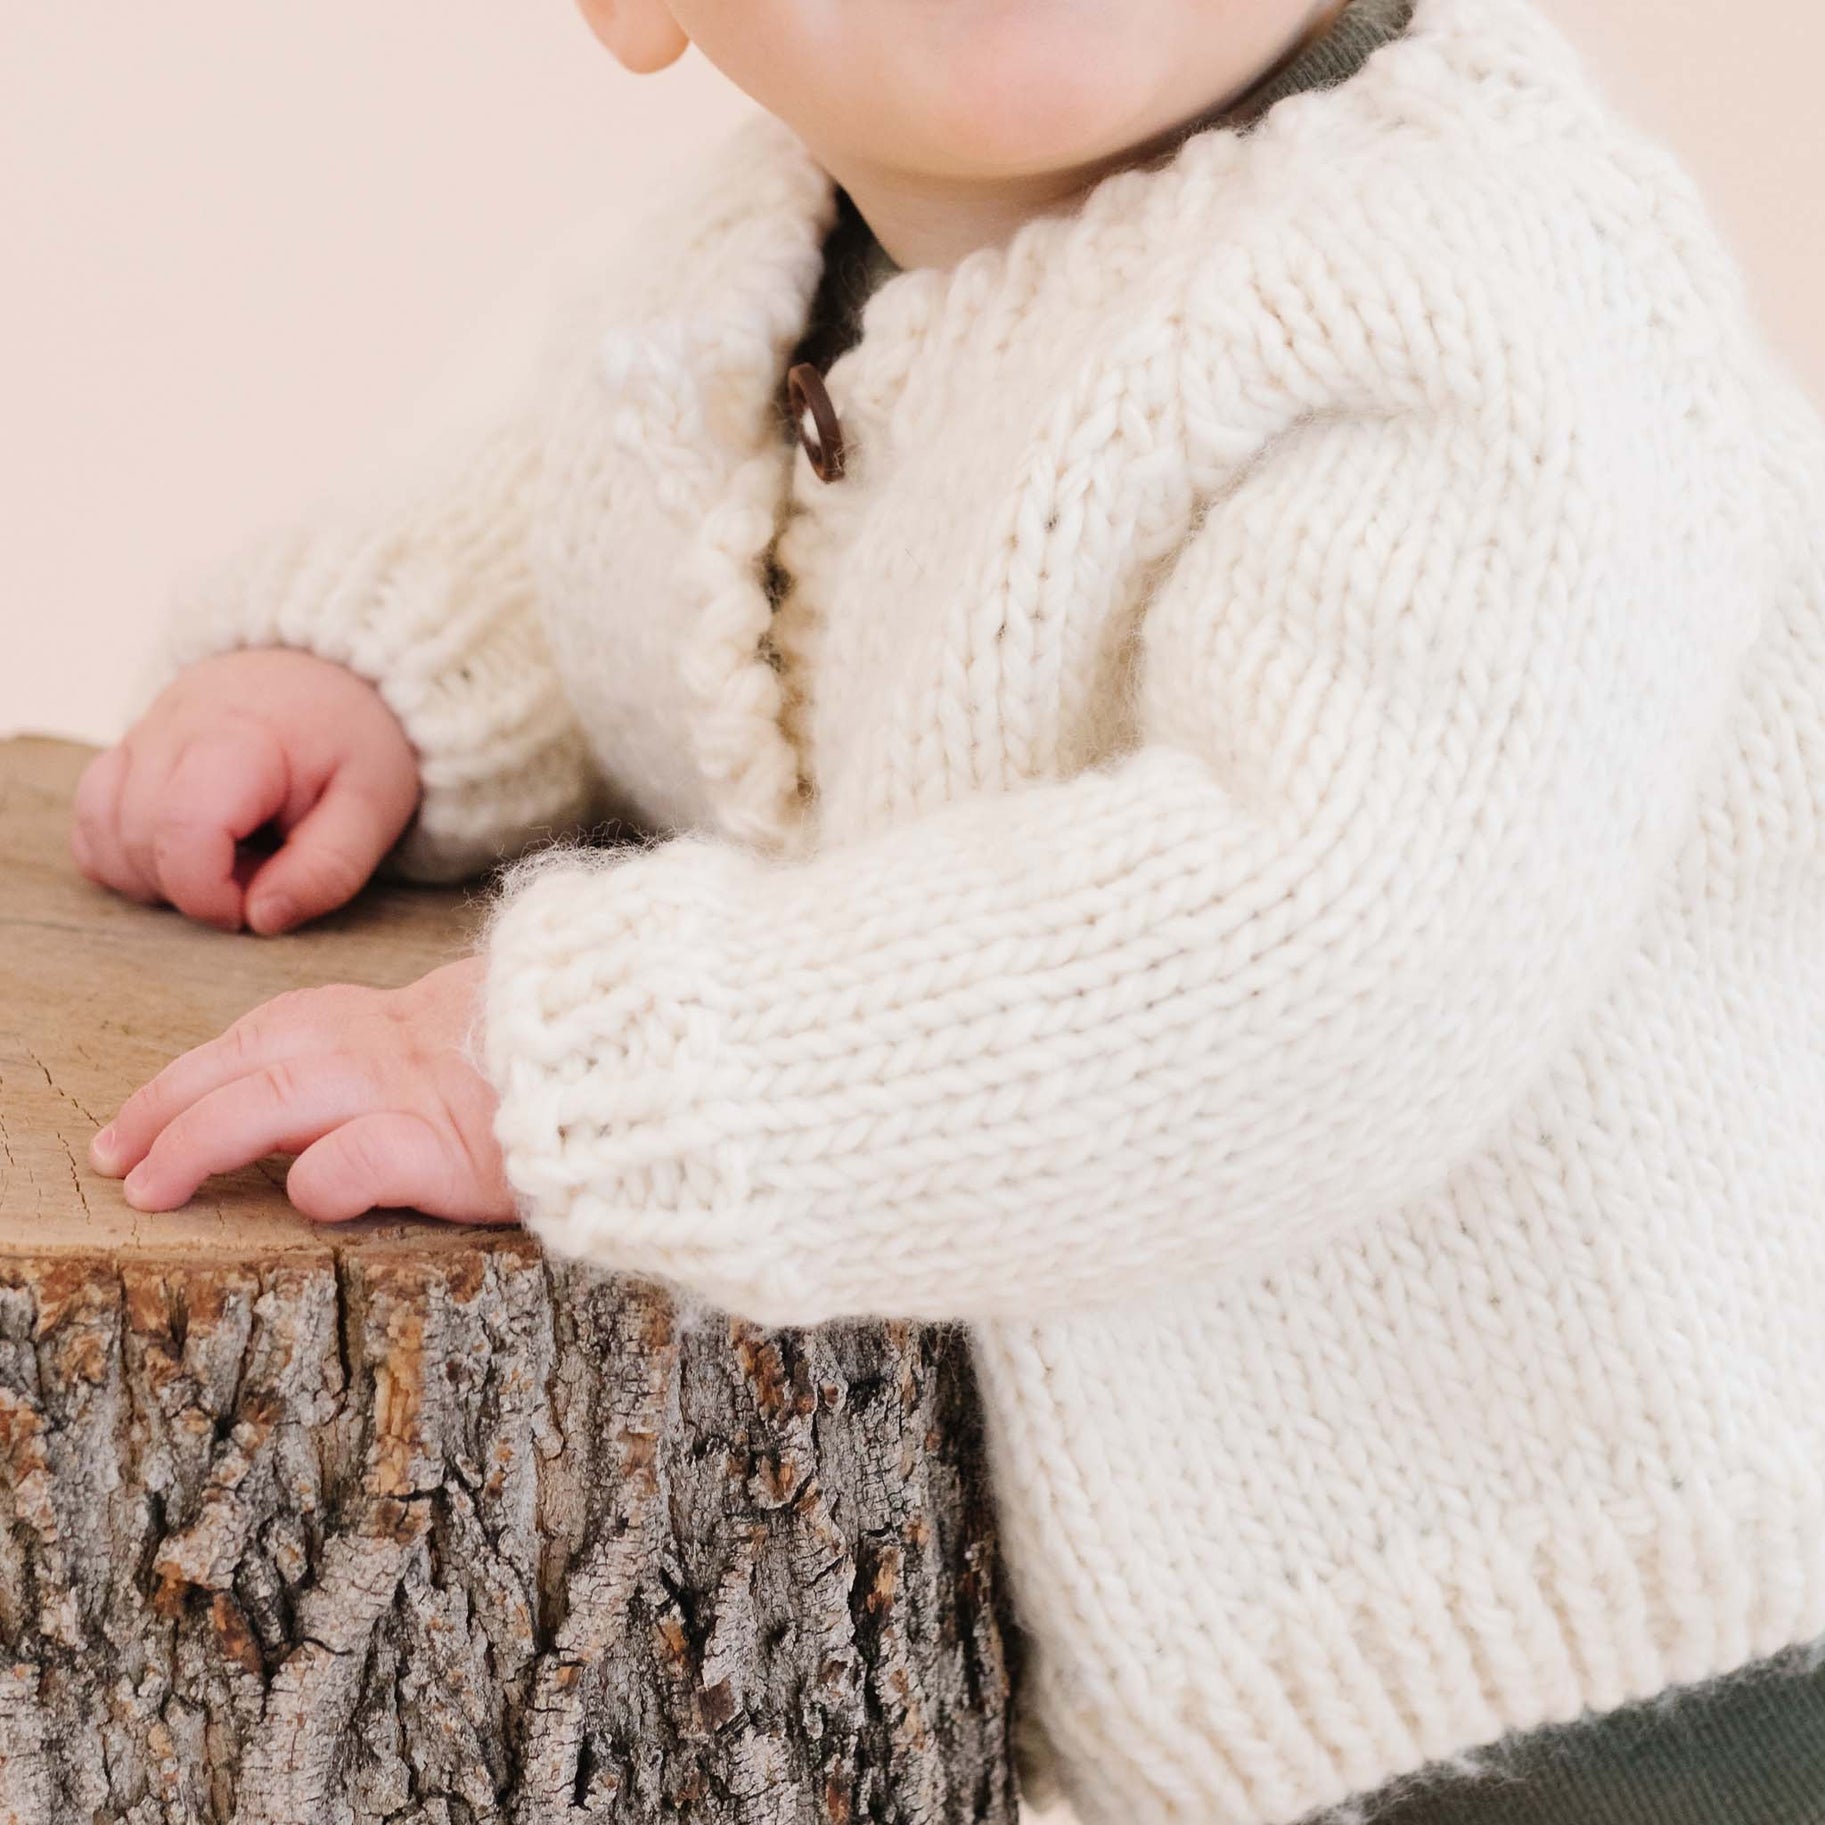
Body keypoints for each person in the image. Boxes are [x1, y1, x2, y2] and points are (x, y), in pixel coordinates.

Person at [71, 1, 1825, 1818]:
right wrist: (373, 673)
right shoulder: (763, 274)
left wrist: (603, 1058)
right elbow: (623, 539)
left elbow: (1315, 948)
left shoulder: (1481, 286)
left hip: (1634, 1627)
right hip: (1270, 1675)